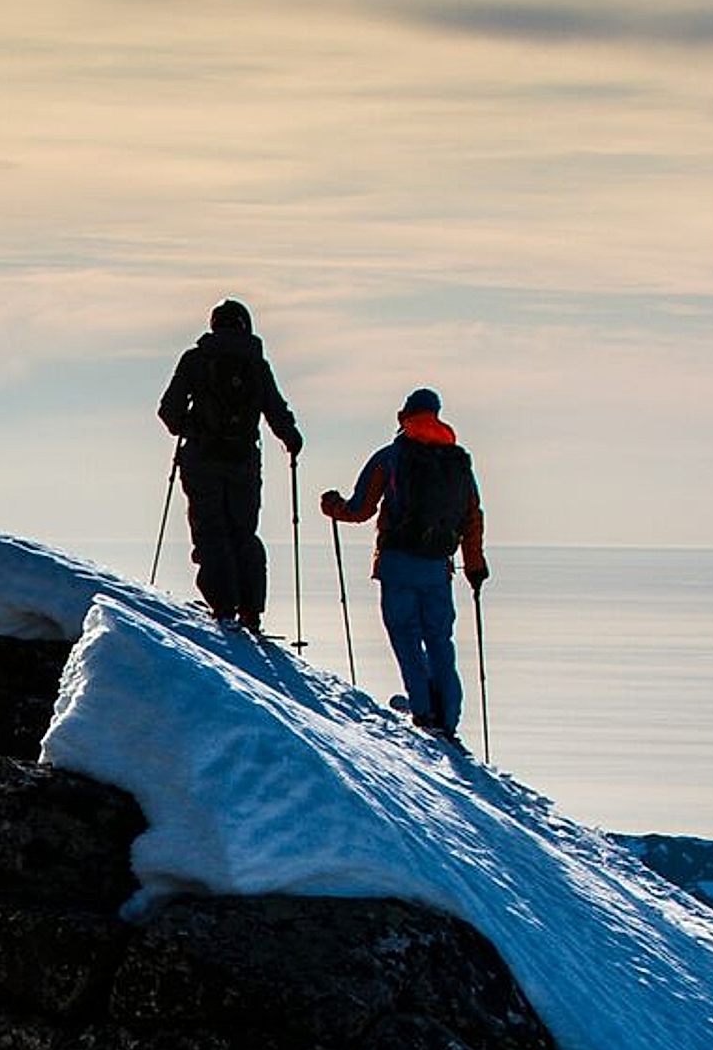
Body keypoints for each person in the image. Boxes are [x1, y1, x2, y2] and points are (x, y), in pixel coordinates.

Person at [323, 388, 488, 740]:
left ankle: (424, 710)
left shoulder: (391, 457)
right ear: (437, 415)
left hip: (398, 565)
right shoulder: (457, 462)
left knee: (406, 636)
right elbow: (472, 517)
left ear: (404, 417)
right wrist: (474, 566)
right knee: (440, 640)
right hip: (437, 568)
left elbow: (360, 509)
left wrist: (332, 507)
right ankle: (449, 716)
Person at [156, 300, 304, 632]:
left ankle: (223, 608)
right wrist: (291, 438)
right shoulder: (256, 364)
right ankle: (252, 612)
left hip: (202, 461)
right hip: (243, 463)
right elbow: (276, 410)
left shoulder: (196, 360)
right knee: (243, 532)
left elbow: (169, 412)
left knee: (210, 531)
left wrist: (192, 429)